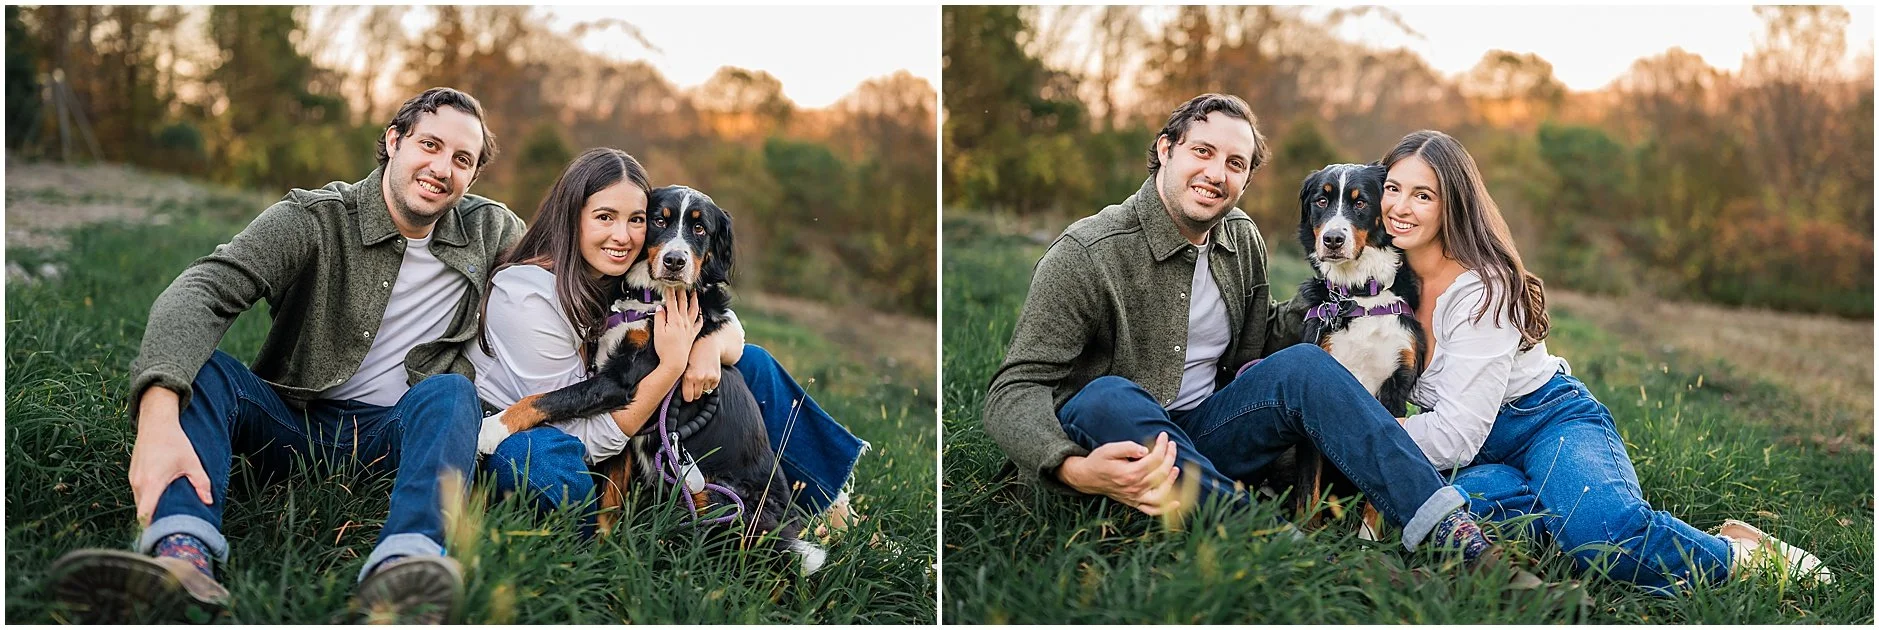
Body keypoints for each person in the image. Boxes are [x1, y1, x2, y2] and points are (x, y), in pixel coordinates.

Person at [48, 87, 522, 624]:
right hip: (291, 423)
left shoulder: (493, 230)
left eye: (462, 159)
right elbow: (204, 289)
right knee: (207, 370)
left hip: (400, 434)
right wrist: (157, 417)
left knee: (451, 393)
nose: (442, 168)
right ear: (394, 141)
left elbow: (563, 283)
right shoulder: (317, 218)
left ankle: (406, 567)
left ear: (474, 176)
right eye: (429, 145)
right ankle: (181, 552)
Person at [981, 93, 1506, 569]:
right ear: (1166, 149)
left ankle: (1461, 543)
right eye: (1202, 152)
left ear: (1247, 178)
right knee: (1107, 396)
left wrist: (1357, 307)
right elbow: (1012, 391)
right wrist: (1071, 466)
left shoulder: (1240, 238)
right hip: (1116, 439)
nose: (1216, 173)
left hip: (1208, 433)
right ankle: (1287, 549)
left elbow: (1267, 341)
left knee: (1307, 364)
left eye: (1235, 163)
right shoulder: (1087, 252)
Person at [1376, 129, 1834, 594]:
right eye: (1393, 188)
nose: (1400, 207)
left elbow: (1453, 435)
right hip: (1474, 447)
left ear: (1452, 204)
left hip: (1546, 422)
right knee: (1429, 521)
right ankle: (1563, 508)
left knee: (1604, 540)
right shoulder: (1380, 281)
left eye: (1423, 195)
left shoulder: (1482, 288)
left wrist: (1367, 435)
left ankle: (1744, 556)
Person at [470, 147, 866, 537]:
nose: (622, 235)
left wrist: (707, 346)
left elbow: (728, 325)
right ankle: (596, 528)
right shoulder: (531, 293)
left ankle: (827, 507)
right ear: (572, 218)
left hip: (607, 418)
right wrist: (673, 365)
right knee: (547, 470)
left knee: (755, 363)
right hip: (548, 432)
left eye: (636, 220)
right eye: (605, 217)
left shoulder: (622, 275)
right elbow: (585, 428)